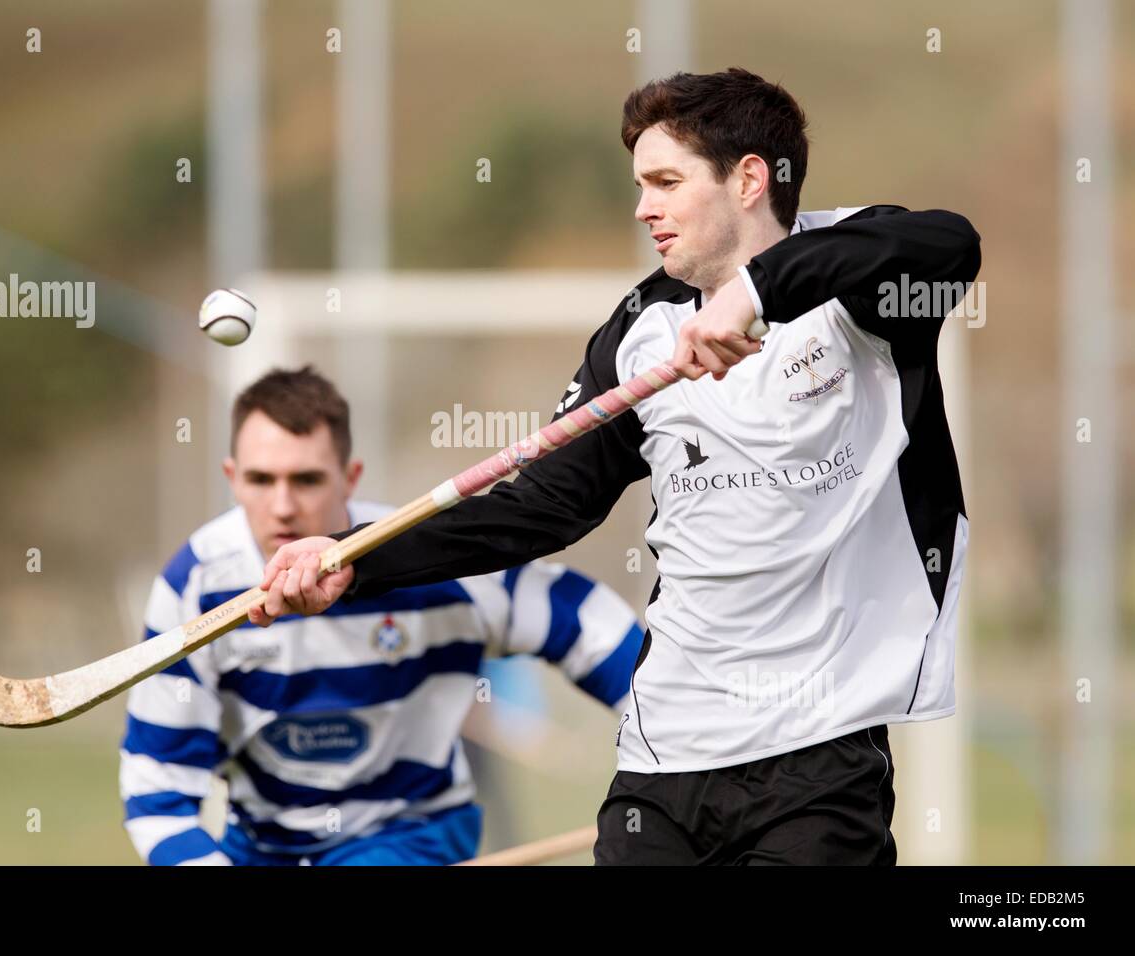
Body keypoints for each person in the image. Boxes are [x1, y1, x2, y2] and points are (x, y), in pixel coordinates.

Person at [252, 68, 982, 866]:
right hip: (664, 758)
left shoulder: (860, 283)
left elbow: (950, 242)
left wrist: (755, 292)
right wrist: (353, 560)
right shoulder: (637, 331)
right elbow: (539, 508)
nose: (645, 209)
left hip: (819, 758)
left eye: (667, 182)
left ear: (747, 180)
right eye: (640, 185)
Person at [119, 366, 644, 865]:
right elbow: (158, 793)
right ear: (232, 479)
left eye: (306, 480)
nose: (282, 506)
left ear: (350, 478)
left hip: (409, 836)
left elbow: (583, 623)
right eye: (261, 480)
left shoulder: (424, 560)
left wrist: (679, 740)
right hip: (262, 846)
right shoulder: (195, 587)